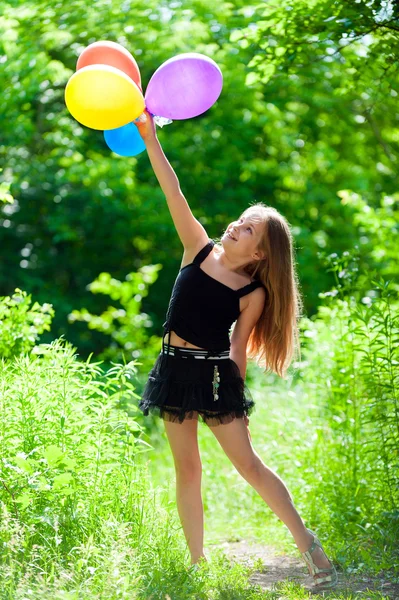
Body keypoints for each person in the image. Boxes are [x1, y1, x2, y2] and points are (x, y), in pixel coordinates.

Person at [133, 110, 338, 590]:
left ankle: (311, 548)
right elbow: (173, 191)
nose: (235, 227)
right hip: (173, 370)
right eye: (240, 221)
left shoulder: (253, 294)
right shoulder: (197, 248)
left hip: (213, 377)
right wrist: (150, 139)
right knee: (188, 469)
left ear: (260, 254)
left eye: (248, 230)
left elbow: (236, 348)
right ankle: (197, 564)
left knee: (248, 464)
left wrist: (237, 400)